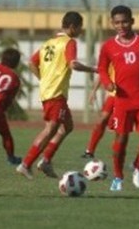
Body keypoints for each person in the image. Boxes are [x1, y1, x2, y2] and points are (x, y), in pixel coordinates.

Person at [16, 11, 97, 179]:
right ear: (73, 27)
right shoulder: (69, 42)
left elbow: (32, 62)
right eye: (80, 28)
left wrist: (43, 79)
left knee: (67, 127)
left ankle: (46, 161)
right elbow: (73, 64)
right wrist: (94, 69)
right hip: (56, 93)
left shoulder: (49, 43)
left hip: (49, 91)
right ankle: (26, 164)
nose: (81, 31)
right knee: (51, 128)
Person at [98, 5, 139, 191]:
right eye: (117, 22)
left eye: (125, 21)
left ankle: (137, 165)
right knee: (121, 139)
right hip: (122, 99)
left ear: (132, 21)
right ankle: (118, 177)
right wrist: (107, 83)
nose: (121, 25)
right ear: (112, 24)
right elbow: (102, 68)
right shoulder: (108, 46)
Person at [81, 75, 139, 159]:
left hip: (129, 96)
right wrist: (93, 91)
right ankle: (90, 151)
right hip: (113, 96)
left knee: (138, 123)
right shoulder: (109, 62)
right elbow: (102, 74)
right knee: (102, 120)